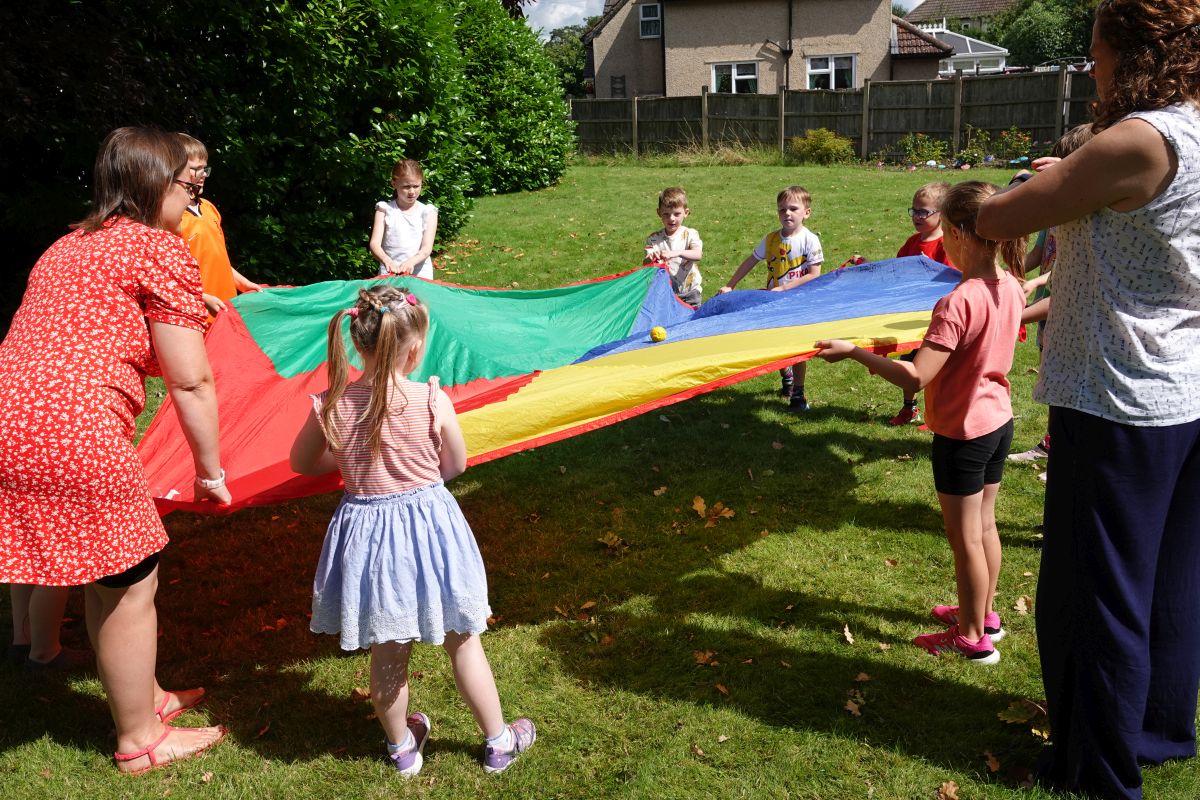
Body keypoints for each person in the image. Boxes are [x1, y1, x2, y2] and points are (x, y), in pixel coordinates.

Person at [977, 1, 1200, 795]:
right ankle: (1159, 731)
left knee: (1097, 593)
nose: (1091, 68)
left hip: (1118, 399)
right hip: (1184, 390)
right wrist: (1070, 185)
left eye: (1096, 53)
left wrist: (991, 197)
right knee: (1172, 576)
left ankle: (1099, 769)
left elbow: (1003, 215)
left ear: (1137, 55)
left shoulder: (1140, 138)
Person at [0, 127, 229, 773]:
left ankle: (148, 697)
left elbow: (97, 335)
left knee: (109, 569)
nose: (195, 199)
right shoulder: (158, 248)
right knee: (132, 579)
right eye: (189, 186)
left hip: (7, 420)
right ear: (154, 184)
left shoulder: (65, 246)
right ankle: (139, 741)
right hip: (70, 429)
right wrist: (210, 470)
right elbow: (189, 378)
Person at [290, 285, 535, 777]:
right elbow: (457, 464)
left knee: (388, 647)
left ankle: (402, 748)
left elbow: (301, 463)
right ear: (415, 349)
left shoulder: (331, 403)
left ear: (357, 345)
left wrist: (346, 462)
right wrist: (420, 484)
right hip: (431, 533)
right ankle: (498, 740)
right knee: (462, 639)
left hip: (368, 538)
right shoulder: (430, 400)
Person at [815, 181, 1027, 664]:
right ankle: (985, 612)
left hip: (963, 433)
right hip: (997, 422)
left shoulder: (958, 301)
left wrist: (857, 354)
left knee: (966, 538)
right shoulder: (1012, 285)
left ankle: (972, 637)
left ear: (954, 233)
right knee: (985, 527)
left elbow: (916, 375)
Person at [1005, 124, 1095, 466]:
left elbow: (1066, 271)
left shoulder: (1087, 219)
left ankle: (1065, 456)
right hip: (1050, 311)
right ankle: (1051, 444)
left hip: (1067, 310)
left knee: (1070, 385)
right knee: (1051, 373)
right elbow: (1038, 254)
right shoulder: (1053, 217)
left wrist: (1025, 293)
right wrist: (1010, 272)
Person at [719, 186, 825, 411]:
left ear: (807, 212)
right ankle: (786, 375)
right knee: (777, 343)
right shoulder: (770, 240)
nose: (787, 213)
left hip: (800, 303)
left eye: (793, 209)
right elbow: (750, 261)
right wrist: (731, 284)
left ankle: (798, 394)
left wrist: (786, 289)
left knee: (798, 347)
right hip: (774, 301)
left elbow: (814, 275)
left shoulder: (810, 240)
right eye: (782, 209)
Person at [890, 181, 957, 427]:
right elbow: (895, 270)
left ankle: (935, 413)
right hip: (913, 318)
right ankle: (910, 408)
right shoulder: (912, 242)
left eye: (924, 212)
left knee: (935, 370)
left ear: (942, 214)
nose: (917, 216)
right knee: (910, 364)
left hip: (938, 318)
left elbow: (952, 279)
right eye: (914, 210)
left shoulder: (946, 245)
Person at [176, 133, 261, 320]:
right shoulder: (170, 219)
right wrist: (202, 298)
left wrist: (244, 283)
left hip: (225, 311)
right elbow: (168, 277)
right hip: (196, 317)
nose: (203, 175)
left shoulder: (208, 208)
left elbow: (218, 259)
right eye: (195, 169)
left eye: (205, 169)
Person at [369, 159, 438, 279]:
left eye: (416, 186)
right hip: (390, 272)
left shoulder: (428, 212)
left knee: (417, 299)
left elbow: (426, 249)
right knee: (391, 298)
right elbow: (374, 244)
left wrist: (411, 262)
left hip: (420, 274)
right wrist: (386, 260)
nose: (412, 191)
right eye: (406, 186)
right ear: (394, 183)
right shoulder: (384, 210)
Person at [644, 187, 703, 306]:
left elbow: (698, 254)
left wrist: (676, 252)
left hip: (690, 293)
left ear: (685, 213)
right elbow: (646, 265)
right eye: (666, 214)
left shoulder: (690, 234)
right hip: (664, 293)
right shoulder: (653, 239)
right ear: (659, 213)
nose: (671, 219)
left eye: (677, 214)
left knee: (692, 323)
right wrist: (650, 260)